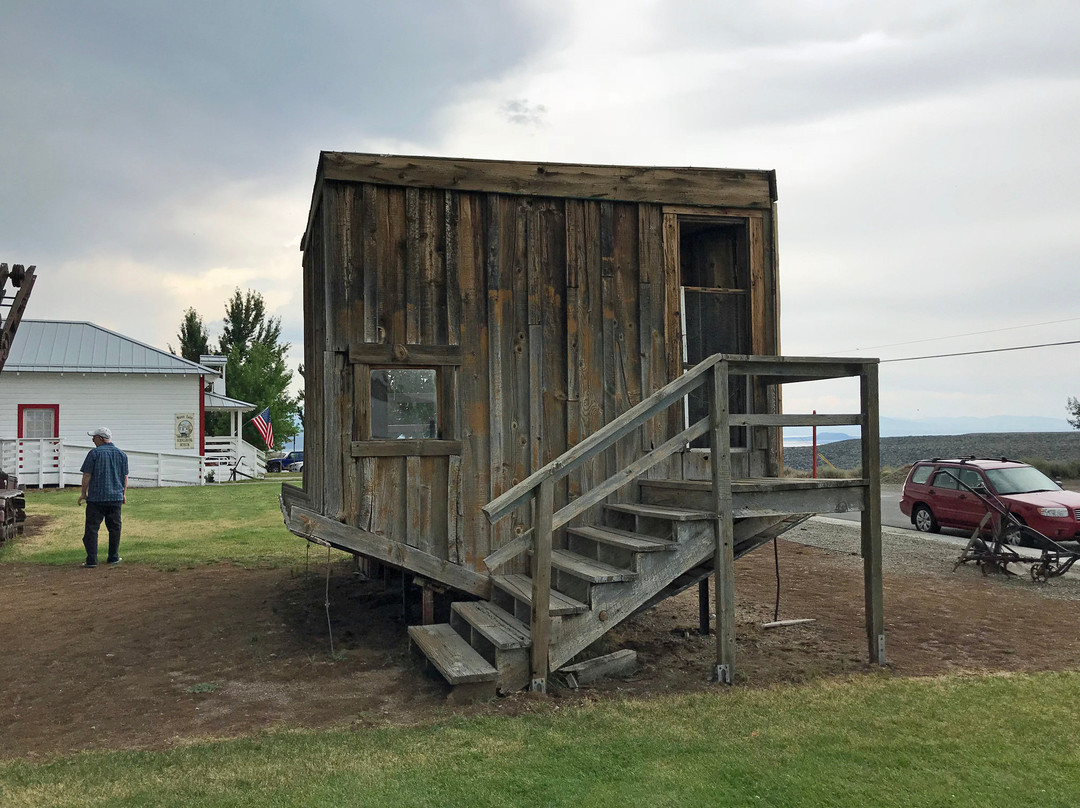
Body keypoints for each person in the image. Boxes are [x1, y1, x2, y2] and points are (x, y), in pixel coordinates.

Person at [77, 427, 129, 568]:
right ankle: (113, 556)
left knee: (92, 529)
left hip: (96, 498)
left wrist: (83, 493)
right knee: (115, 528)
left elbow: (87, 474)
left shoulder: (94, 453)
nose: (92, 440)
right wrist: (123, 494)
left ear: (100, 438)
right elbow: (125, 477)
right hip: (115, 497)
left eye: (94, 437)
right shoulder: (122, 454)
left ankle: (92, 560)